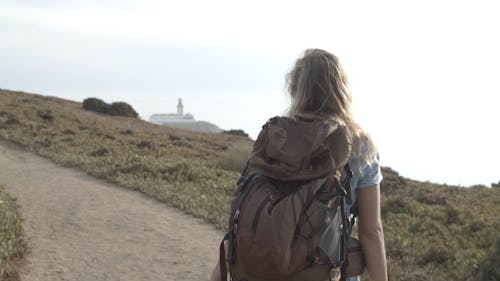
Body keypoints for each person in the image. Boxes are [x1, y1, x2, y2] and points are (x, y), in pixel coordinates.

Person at [211, 49, 388, 281]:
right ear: (342, 89)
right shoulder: (359, 145)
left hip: (265, 266)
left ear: (295, 88)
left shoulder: (277, 137)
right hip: (326, 271)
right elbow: (371, 232)